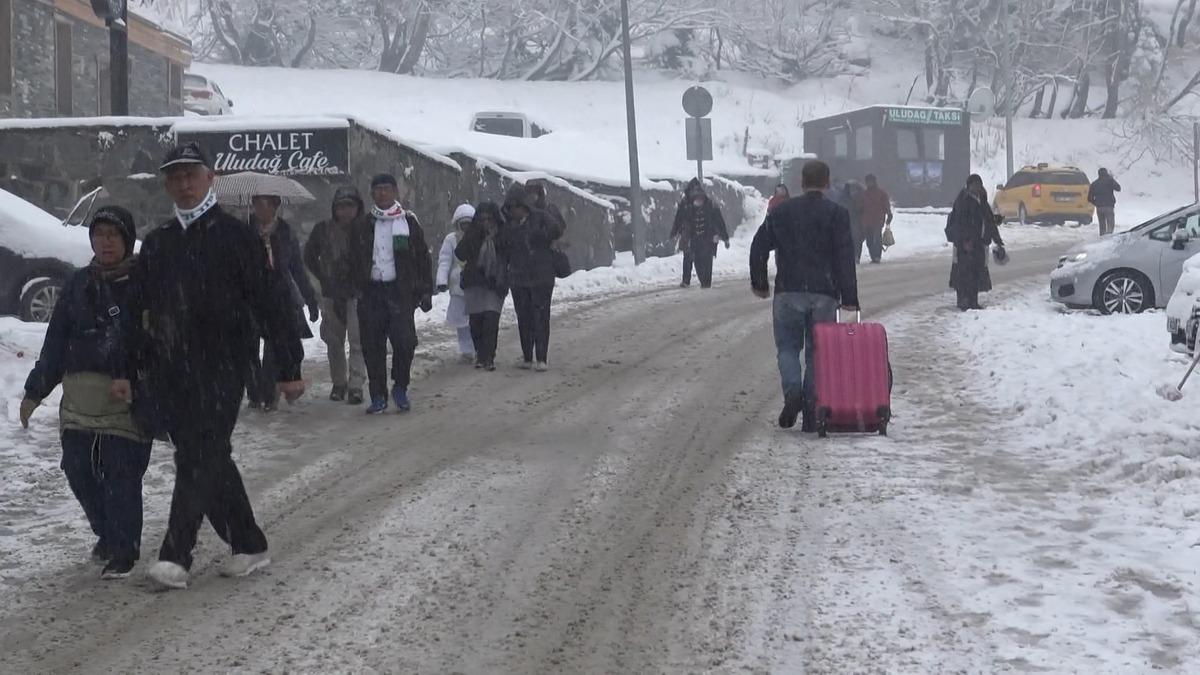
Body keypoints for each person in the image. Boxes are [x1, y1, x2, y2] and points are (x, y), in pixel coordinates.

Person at [131, 143, 305, 590]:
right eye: (174, 177)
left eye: (191, 174)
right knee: (208, 457)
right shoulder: (158, 242)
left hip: (224, 367)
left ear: (211, 178)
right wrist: (131, 369)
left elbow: (273, 305)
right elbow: (139, 313)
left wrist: (287, 365)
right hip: (173, 369)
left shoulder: (237, 237)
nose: (183, 184)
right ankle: (248, 542)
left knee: (198, 453)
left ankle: (176, 554)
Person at [20, 206, 153, 580]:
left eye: (114, 234)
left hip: (126, 399)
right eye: (99, 234)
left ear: (127, 239)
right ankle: (108, 534)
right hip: (79, 399)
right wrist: (35, 390)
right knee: (77, 469)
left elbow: (161, 342)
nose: (106, 241)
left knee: (120, 474)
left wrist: (138, 379)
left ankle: (124, 549)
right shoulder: (79, 284)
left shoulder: (147, 284)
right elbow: (56, 341)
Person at [749, 160, 858, 433]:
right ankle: (811, 411)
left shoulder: (782, 211)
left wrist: (760, 282)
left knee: (787, 348)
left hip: (788, 291)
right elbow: (845, 259)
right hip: (824, 292)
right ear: (827, 182)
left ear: (801, 181)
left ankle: (793, 393)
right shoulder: (837, 214)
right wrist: (850, 298)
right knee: (817, 353)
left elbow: (758, 246)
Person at [351, 174, 433, 414]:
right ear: (372, 194)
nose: (382, 194)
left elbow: (422, 259)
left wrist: (425, 289)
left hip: (400, 293)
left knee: (405, 342)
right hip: (372, 293)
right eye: (377, 190)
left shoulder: (408, 222)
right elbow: (353, 259)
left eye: (386, 189)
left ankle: (400, 386)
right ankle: (378, 395)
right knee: (372, 346)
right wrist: (355, 286)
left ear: (396, 192)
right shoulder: (364, 225)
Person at [247, 194, 319, 412]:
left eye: (266, 205)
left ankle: (269, 394)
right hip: (250, 295)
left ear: (276, 207)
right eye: (258, 204)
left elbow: (296, 267)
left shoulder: (285, 232)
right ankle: (254, 391)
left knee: (274, 346)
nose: (262, 209)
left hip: (279, 295)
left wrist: (310, 298)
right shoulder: (244, 231)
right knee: (247, 347)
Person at [304, 186, 368, 405]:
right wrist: (323, 277)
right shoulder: (323, 230)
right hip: (332, 294)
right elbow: (310, 256)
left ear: (358, 207)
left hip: (358, 294)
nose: (346, 211)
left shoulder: (366, 230)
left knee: (358, 341)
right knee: (334, 342)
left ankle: (356, 384)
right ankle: (339, 383)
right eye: (341, 206)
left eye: (350, 206)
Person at [502, 184, 562, 371]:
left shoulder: (540, 217)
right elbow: (505, 248)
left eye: (516, 206)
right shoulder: (509, 225)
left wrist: (541, 237)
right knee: (524, 317)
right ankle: (527, 357)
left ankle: (541, 358)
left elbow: (557, 229)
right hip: (519, 277)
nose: (514, 211)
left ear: (523, 206)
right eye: (510, 208)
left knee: (541, 316)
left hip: (541, 276)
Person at [456, 202, 508, 371]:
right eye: (482, 218)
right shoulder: (472, 234)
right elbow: (460, 253)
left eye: (489, 218)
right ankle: (480, 353)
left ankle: (489, 356)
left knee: (491, 321)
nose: (486, 222)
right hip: (474, 283)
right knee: (476, 321)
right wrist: (474, 234)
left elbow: (509, 252)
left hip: (494, 283)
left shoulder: (502, 233)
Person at [946, 174, 1006, 311]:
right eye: (974, 185)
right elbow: (960, 222)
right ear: (969, 185)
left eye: (978, 184)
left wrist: (997, 240)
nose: (976, 187)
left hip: (979, 243)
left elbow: (988, 220)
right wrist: (965, 240)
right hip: (964, 244)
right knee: (963, 272)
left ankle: (973, 301)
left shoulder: (982, 199)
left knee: (976, 272)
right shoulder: (962, 200)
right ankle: (963, 300)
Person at [670, 178, 730, 289]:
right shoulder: (688, 204)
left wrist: (724, 237)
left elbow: (718, 220)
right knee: (698, 259)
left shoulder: (708, 204)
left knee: (701, 259)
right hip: (694, 238)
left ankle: (702, 281)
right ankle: (702, 281)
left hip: (702, 238)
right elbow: (680, 218)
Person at [437, 204, 477, 364]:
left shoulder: (479, 238)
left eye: (469, 224)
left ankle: (477, 346)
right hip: (457, 285)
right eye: (463, 224)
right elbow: (444, 261)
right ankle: (466, 349)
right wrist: (441, 280)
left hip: (475, 284)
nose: (466, 228)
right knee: (461, 321)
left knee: (475, 319)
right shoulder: (450, 240)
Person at [860, 174, 894, 264]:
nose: (869, 183)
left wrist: (889, 214)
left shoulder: (881, 193)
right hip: (866, 220)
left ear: (874, 182)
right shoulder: (864, 194)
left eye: (871, 181)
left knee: (877, 238)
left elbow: (886, 204)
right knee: (869, 240)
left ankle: (877, 256)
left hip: (878, 219)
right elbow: (860, 207)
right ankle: (873, 256)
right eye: (868, 182)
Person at [834, 179, 866, 264]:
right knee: (856, 240)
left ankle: (853, 256)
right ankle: (855, 256)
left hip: (853, 221)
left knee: (854, 240)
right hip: (853, 221)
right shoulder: (857, 197)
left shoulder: (843, 198)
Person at [1088, 168, 1122, 236]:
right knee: (1110, 225)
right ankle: (1108, 239)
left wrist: (1096, 203)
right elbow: (1118, 188)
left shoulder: (1094, 184)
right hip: (1109, 206)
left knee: (1102, 225)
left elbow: (1089, 198)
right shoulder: (1110, 181)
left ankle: (1102, 238)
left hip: (1099, 207)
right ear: (1106, 173)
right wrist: (1111, 179)